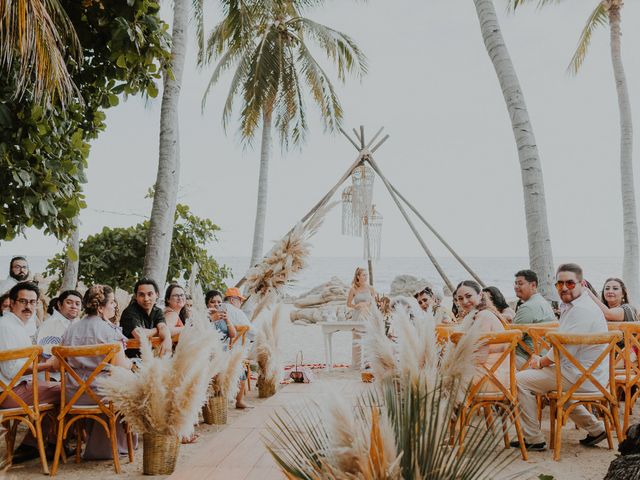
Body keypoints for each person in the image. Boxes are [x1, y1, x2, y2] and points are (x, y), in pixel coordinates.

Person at [514, 263, 609, 452]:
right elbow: (563, 347)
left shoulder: (581, 310)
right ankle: (597, 429)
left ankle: (533, 438)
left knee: (518, 381)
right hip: (584, 373)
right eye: (560, 284)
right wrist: (542, 363)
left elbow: (563, 350)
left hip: (581, 376)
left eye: (570, 283)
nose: (564, 287)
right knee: (557, 389)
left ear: (582, 284)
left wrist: (540, 362)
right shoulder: (576, 305)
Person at [42, 285, 134, 459]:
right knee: (129, 383)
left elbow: (57, 364)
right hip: (102, 395)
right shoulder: (109, 331)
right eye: (112, 302)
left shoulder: (70, 330)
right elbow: (121, 365)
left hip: (72, 395)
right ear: (100, 307)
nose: (115, 305)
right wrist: (130, 364)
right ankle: (118, 445)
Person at [0, 282, 61, 463]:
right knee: (68, 390)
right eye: (23, 301)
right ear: (11, 302)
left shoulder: (18, 325)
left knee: (61, 388)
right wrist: (48, 365)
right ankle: (39, 445)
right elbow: (11, 370)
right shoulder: (6, 327)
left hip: (15, 387)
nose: (28, 307)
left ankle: (41, 443)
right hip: (9, 392)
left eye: (33, 302)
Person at [205, 290, 249, 409]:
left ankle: (239, 400)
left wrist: (227, 320)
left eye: (219, 302)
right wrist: (211, 319)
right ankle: (214, 402)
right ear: (207, 304)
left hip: (225, 351)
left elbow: (233, 334)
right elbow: (202, 334)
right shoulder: (205, 317)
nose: (216, 304)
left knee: (241, 367)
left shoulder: (223, 316)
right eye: (212, 302)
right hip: (211, 353)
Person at [512, 270, 556, 369]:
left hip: (526, 358)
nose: (516, 287)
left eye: (520, 283)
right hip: (544, 354)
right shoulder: (544, 303)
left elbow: (512, 337)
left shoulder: (528, 307)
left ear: (533, 285)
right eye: (515, 283)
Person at [120, 278, 172, 357]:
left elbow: (163, 326)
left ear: (157, 294)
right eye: (141, 295)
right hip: (130, 360)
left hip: (149, 358)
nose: (146, 299)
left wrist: (167, 339)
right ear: (136, 296)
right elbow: (140, 335)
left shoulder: (157, 311)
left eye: (150, 294)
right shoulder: (130, 312)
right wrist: (157, 329)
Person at [36, 290, 82, 358]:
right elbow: (46, 357)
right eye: (69, 302)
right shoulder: (50, 324)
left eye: (77, 304)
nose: (74, 306)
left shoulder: (76, 323)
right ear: (59, 304)